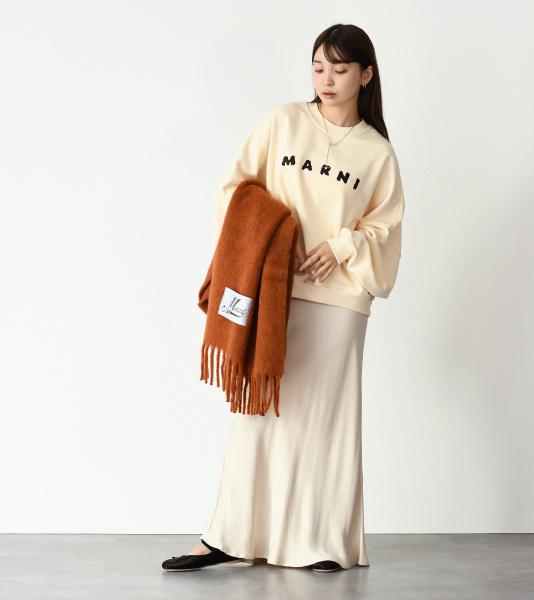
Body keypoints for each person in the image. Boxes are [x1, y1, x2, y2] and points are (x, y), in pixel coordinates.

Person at [162, 23, 405, 574]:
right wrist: (272, 234)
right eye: (318, 67)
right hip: (274, 289)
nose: (327, 79)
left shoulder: (377, 153)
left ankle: (322, 541)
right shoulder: (283, 122)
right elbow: (236, 189)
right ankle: (227, 536)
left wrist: (341, 246)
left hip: (340, 300)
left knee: (325, 421)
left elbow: (386, 230)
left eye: (340, 69)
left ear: (366, 75)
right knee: (258, 410)